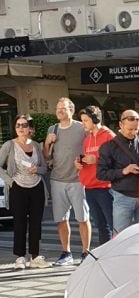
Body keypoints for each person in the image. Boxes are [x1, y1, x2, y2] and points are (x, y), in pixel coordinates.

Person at [97, 110, 139, 234]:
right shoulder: (109, 147)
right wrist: (124, 171)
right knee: (121, 237)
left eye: (136, 129)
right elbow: (101, 174)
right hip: (122, 197)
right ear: (121, 125)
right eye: (130, 129)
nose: (133, 132)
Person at [43, 98, 88, 264]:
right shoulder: (52, 129)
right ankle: (66, 252)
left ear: (72, 110)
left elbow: (92, 146)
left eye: (63, 108)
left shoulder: (82, 127)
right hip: (57, 179)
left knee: (83, 217)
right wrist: (47, 142)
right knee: (61, 219)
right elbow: (46, 155)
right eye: (57, 109)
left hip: (78, 179)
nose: (60, 111)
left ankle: (85, 252)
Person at [0, 115, 49, 269]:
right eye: (18, 125)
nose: (20, 128)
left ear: (30, 129)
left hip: (37, 187)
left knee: (36, 223)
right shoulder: (9, 145)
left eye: (24, 125)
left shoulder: (36, 146)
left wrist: (38, 169)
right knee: (19, 223)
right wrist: (10, 181)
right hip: (18, 187)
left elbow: (44, 168)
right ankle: (20, 257)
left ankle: (35, 257)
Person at [77, 107, 114, 247]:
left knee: (113, 224)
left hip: (105, 187)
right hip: (90, 187)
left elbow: (117, 159)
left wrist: (97, 159)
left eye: (85, 120)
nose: (83, 124)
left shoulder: (108, 136)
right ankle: (105, 254)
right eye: (82, 121)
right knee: (100, 225)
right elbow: (89, 159)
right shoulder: (87, 139)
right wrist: (80, 163)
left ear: (95, 119)